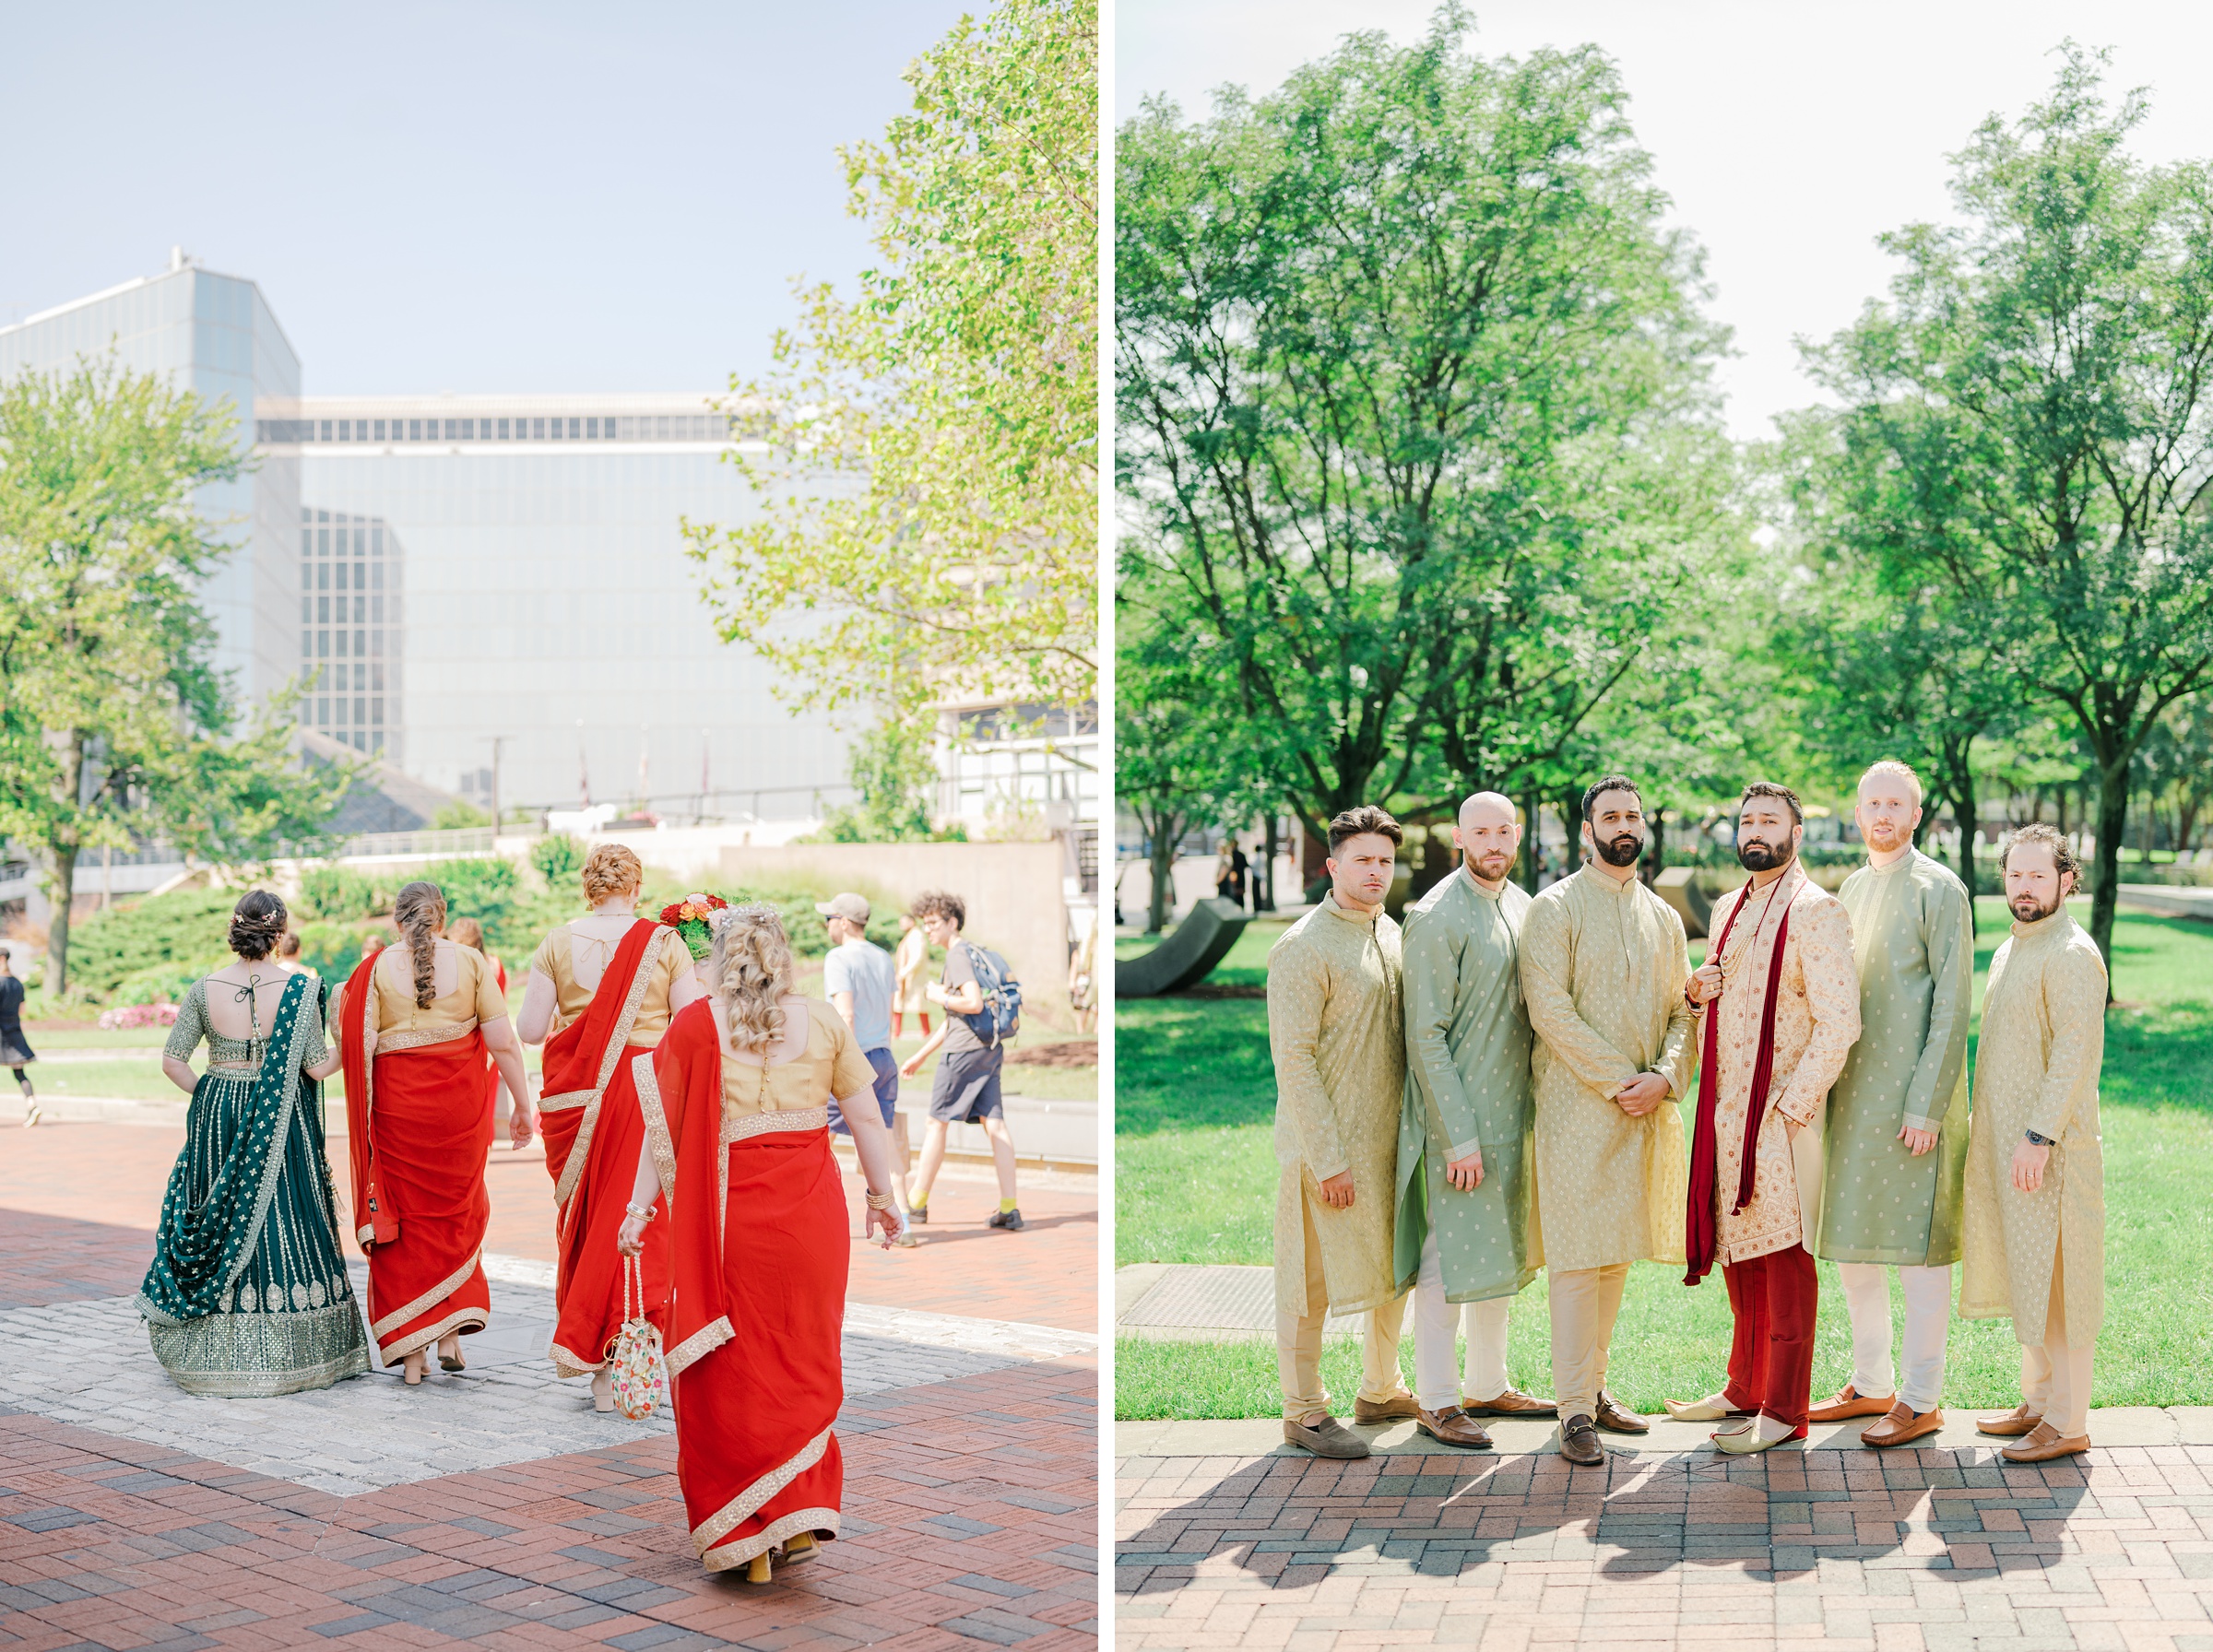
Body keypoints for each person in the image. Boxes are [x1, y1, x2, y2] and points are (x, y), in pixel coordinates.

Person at [619, 905, 908, 1581]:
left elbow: (662, 1133)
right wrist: (883, 1199)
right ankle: (798, 1518)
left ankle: (749, 1537)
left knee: (733, 1369)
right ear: (783, 956)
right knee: (801, 1356)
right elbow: (865, 1113)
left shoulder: (696, 1025)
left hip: (729, 1225)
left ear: (721, 959)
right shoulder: (824, 1022)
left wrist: (638, 1209)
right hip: (810, 1220)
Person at [1673, 783, 1860, 1455]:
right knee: (1739, 1253)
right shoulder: (1728, 906)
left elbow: (1841, 1023)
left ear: (1796, 832)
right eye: (1747, 820)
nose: (1755, 831)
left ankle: (1783, 1411)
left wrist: (1789, 1110)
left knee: (1783, 1260)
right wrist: (1697, 995)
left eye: (1769, 821)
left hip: (1781, 1117)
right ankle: (1743, 1387)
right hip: (1725, 1113)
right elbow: (1720, 1006)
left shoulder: (1817, 911)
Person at [1519, 775, 1694, 1467]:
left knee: (1616, 1253)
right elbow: (1548, 1009)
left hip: (1642, 1110)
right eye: (1609, 816)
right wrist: (1624, 1080)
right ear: (1586, 830)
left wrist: (1666, 1078)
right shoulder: (1554, 909)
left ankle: (1594, 1391)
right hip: (1574, 1110)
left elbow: (1685, 1011)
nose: (1623, 825)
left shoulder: (1664, 916)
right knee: (1576, 1258)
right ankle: (1571, 1415)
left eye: (1633, 815)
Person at [136, 891, 369, 1395]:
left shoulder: (205, 987)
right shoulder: (302, 990)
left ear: (234, 929)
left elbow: (173, 1061)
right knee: (281, 1214)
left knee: (216, 1215)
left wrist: (213, 1095)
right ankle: (291, 1346)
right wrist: (347, 1035)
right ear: (280, 933)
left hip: (217, 1105)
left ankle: (208, 1342)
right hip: (279, 1112)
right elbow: (315, 1067)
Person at [1810, 761, 1973, 1446]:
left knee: (1916, 1254)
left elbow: (1952, 1005)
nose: (1882, 814)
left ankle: (1921, 1396)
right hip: (1853, 1098)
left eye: (1895, 804)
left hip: (1913, 1102)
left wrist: (1927, 1105)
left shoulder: (1942, 889)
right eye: (1872, 802)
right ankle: (1870, 1381)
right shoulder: (1850, 886)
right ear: (1857, 813)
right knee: (1855, 1250)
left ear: (1915, 814)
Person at [1394, 793, 1556, 1450]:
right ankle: (1436, 1399)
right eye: (1479, 833)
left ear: (1517, 836)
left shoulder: (1520, 905)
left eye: (1503, 831)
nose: (1493, 843)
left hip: (1513, 1115)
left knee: (1502, 1255)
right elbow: (1424, 1036)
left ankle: (1488, 1383)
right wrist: (1457, 1134)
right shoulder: (1436, 916)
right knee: (1447, 1260)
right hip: (1457, 1122)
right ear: (1459, 839)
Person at [516, 844, 703, 1407]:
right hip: (646, 1092)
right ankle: (631, 1359)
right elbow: (690, 1021)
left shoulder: (556, 940)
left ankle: (596, 1360)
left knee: (590, 1220)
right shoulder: (663, 941)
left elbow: (528, 1029)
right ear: (636, 885)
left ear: (588, 885)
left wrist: (582, 1026)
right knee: (638, 1222)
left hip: (579, 1096)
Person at [337, 879, 535, 1385]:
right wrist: (521, 1106)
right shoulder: (472, 963)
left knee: (405, 1219)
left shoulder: (375, 969)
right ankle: (449, 1333)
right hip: (458, 1111)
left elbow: (359, 1045)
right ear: (442, 917)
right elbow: (504, 1044)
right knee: (457, 1211)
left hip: (400, 1112)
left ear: (396, 921)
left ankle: (413, 1356)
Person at [1268, 806, 1417, 1459]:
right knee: (1312, 1282)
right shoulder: (1303, 946)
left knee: (1395, 1269)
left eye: (1385, 860)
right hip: (1323, 1148)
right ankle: (1303, 1409)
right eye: (1362, 859)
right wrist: (1327, 1159)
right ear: (1331, 866)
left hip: (1390, 1140)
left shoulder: (1393, 934)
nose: (1376, 871)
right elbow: (1293, 1058)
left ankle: (1381, 1388)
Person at [1960, 825, 2107, 1463]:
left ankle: (2069, 1421)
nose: (2024, 887)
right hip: (2009, 1148)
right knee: (2028, 1273)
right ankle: (2039, 1401)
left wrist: (2039, 1136)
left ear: (2066, 879)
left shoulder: (2071, 952)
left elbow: (2074, 1057)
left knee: (2061, 1281)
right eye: (2015, 875)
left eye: (2038, 876)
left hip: (2052, 1150)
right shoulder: (2012, 947)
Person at [899, 891, 1022, 1230]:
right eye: (925, 925)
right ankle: (1010, 1208)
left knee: (936, 1122)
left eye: (934, 923)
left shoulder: (957, 956)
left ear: (952, 922)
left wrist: (940, 995)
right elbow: (956, 1018)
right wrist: (920, 1055)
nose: (929, 930)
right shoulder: (973, 953)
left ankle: (916, 1204)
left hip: (964, 1053)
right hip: (989, 1048)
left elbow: (973, 1004)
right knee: (994, 1122)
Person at [818, 891, 917, 1245]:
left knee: (818, 1138)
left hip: (854, 1057)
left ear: (844, 922)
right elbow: (890, 1010)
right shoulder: (882, 957)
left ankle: (812, 1214)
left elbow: (845, 1013)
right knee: (885, 1138)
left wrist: (836, 1059)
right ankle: (902, 1216)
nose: (827, 925)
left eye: (829, 918)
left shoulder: (838, 957)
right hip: (883, 1056)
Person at [447, 916, 508, 1132]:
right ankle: (486, 1154)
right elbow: (504, 1004)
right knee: (486, 1104)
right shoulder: (495, 964)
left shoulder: (459, 965)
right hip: (492, 1036)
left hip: (467, 1038)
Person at [1, 947, 37, 1127]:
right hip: (14, 1031)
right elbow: (22, 1010)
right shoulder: (17, 983)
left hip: (1, 1034)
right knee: (19, 1073)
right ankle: (32, 1104)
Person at [893, 914, 931, 1039]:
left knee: (919, 1004)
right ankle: (897, 1032)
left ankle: (926, 1032)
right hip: (907, 976)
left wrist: (903, 972)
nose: (901, 924)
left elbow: (917, 958)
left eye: (904, 921)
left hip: (913, 977)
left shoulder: (916, 936)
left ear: (912, 922)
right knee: (899, 1003)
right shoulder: (910, 936)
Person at [1069, 917, 1097, 1036]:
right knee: (1082, 1009)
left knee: (1096, 1008)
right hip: (1083, 980)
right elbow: (1075, 965)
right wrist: (1072, 981)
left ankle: (1095, 1033)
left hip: (1092, 980)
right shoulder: (1079, 954)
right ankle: (1081, 1033)